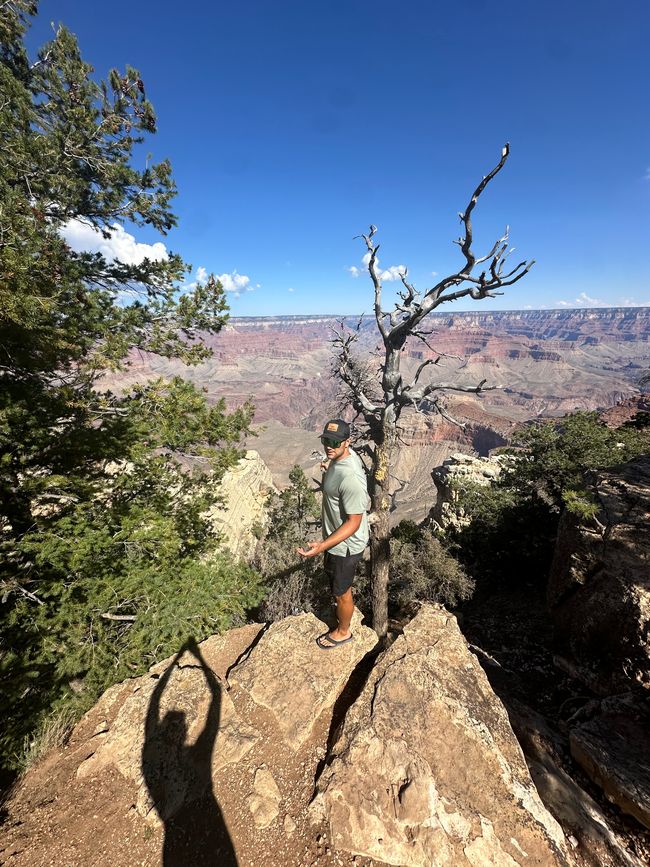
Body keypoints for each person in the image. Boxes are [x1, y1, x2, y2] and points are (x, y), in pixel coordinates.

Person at [297, 418, 369, 649]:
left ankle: (344, 631)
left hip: (345, 546)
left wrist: (323, 546)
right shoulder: (341, 458)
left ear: (347, 442)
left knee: (341, 591)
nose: (329, 446)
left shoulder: (351, 478)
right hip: (336, 541)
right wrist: (330, 467)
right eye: (326, 440)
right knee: (338, 586)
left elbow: (353, 523)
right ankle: (344, 615)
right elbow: (339, 464)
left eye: (335, 442)